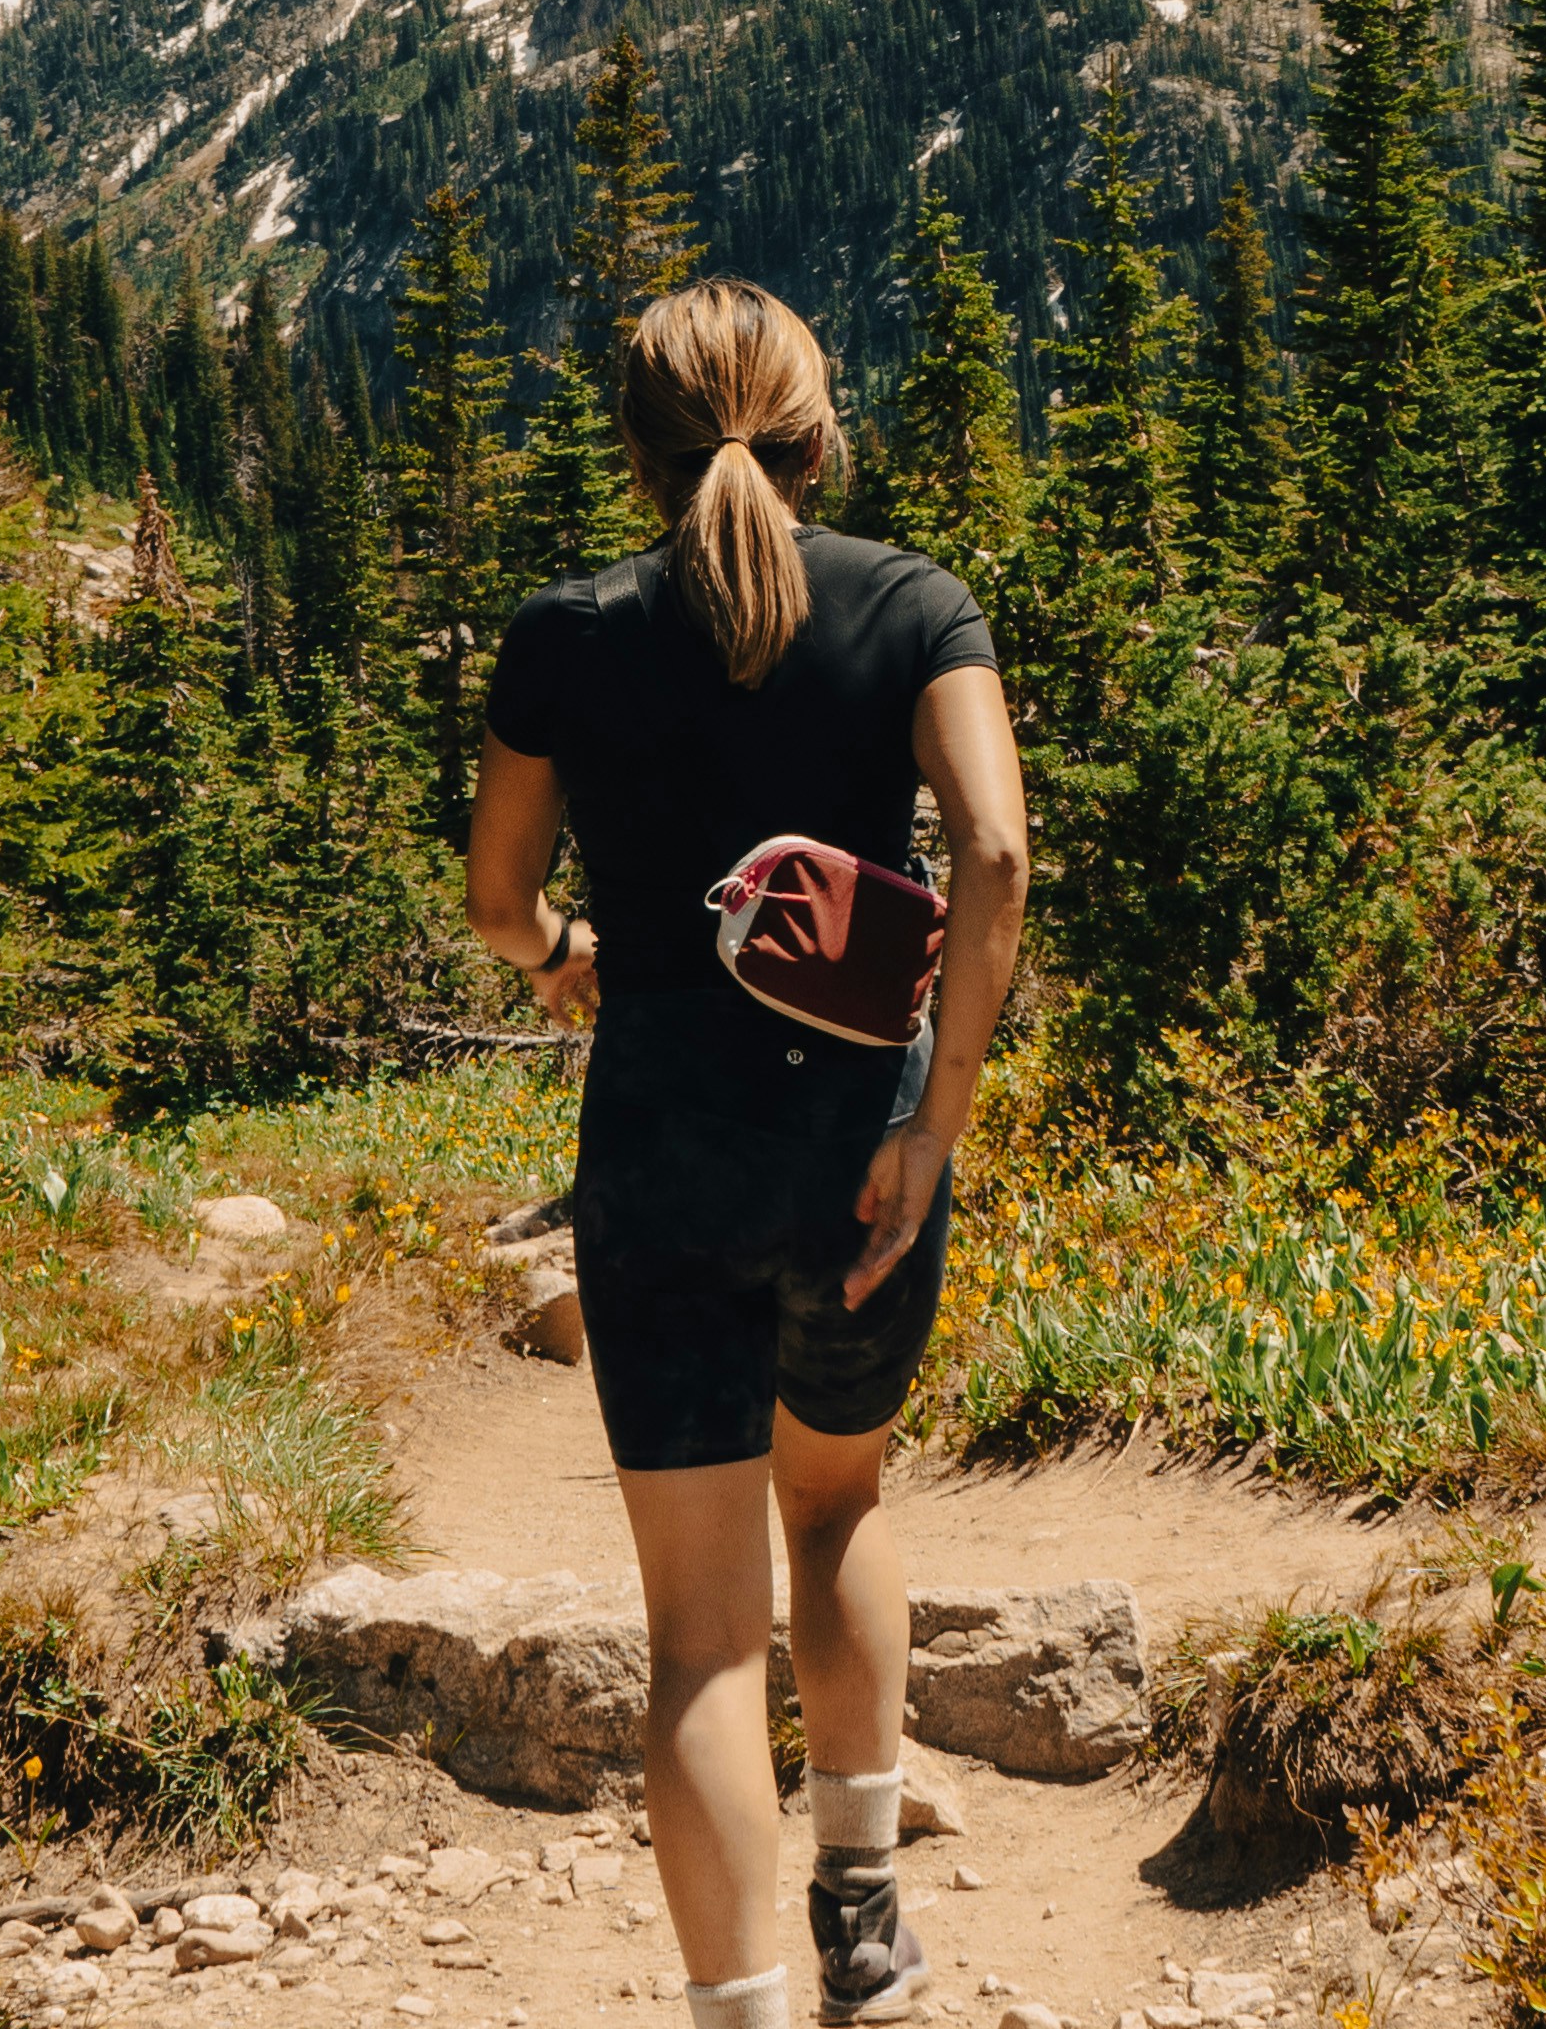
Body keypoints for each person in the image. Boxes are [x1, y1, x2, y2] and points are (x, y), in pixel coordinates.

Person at [469, 277, 1032, 2029]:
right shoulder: (915, 605)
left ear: (636, 450)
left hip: (658, 1160)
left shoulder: (566, 633)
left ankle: (747, 2012)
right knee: (843, 1496)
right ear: (813, 426)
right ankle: (865, 1908)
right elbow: (995, 861)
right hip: (856, 1153)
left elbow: (498, 904)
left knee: (702, 1643)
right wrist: (932, 1127)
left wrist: (572, 964)